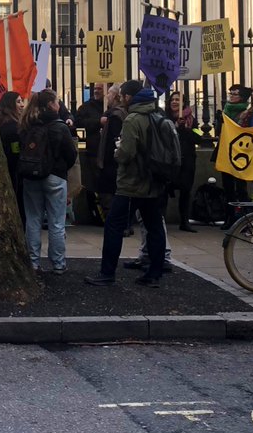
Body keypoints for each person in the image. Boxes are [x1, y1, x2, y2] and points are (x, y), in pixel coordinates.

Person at [84, 81, 168, 288]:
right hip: (153, 181)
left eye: (122, 95)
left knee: (113, 226)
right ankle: (154, 273)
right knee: (154, 227)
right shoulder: (159, 117)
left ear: (130, 97)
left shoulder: (132, 120)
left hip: (131, 183)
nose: (121, 98)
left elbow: (126, 153)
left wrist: (116, 151)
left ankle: (107, 273)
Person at [18, 89, 77, 273]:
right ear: (51, 104)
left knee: (33, 219)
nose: (59, 105)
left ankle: (33, 262)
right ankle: (58, 264)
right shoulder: (59, 126)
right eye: (57, 101)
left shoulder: (27, 124)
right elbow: (71, 154)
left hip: (31, 176)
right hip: (55, 176)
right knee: (57, 222)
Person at [215, 83, 251, 226]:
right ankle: (229, 218)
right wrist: (219, 121)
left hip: (239, 154)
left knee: (241, 188)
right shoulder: (226, 110)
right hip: (225, 152)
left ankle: (243, 218)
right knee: (227, 187)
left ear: (241, 97)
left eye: (234, 94)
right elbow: (220, 132)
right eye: (230, 93)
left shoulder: (245, 113)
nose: (231, 96)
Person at [166, 91, 198, 232]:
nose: (174, 102)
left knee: (185, 191)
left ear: (183, 103)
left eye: (178, 100)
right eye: (172, 99)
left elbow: (199, 137)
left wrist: (185, 129)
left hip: (187, 160)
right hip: (169, 160)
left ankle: (184, 221)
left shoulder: (191, 119)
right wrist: (175, 126)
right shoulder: (164, 117)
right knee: (164, 190)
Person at [95, 84, 126, 225]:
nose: (107, 96)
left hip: (111, 161)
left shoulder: (115, 116)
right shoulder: (121, 113)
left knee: (109, 192)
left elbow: (115, 139)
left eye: (109, 93)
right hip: (116, 161)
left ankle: (115, 223)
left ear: (115, 96)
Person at [74, 84, 106, 220]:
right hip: (91, 151)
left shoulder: (111, 107)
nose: (97, 91)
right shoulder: (86, 107)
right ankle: (97, 215)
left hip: (107, 153)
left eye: (100, 89)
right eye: (96, 89)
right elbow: (79, 125)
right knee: (92, 185)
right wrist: (98, 122)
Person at [0, 91, 26, 224]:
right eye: (18, 102)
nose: (22, 105)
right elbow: (15, 152)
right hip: (14, 173)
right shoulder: (12, 127)